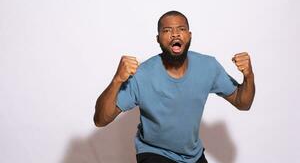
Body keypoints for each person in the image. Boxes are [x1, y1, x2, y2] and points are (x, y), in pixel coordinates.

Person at [93, 10, 255, 163]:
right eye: (167, 30)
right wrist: (117, 80)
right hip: (154, 152)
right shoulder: (142, 75)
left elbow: (243, 103)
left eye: (181, 29)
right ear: (158, 39)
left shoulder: (208, 67)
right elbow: (100, 120)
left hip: (193, 155)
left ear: (189, 35)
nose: (175, 34)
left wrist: (248, 75)